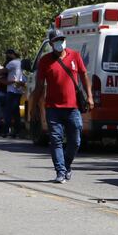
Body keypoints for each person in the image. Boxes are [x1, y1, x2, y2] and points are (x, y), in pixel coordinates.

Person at [28, 31, 93, 184]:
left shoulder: (75, 56)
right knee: (56, 140)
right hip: (53, 108)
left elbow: (84, 76)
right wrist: (34, 107)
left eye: (62, 39)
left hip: (73, 108)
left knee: (75, 141)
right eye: (56, 40)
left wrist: (89, 96)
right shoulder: (45, 61)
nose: (60, 42)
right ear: (51, 43)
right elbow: (39, 87)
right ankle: (60, 172)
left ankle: (67, 165)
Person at [1, 49, 25, 139]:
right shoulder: (20, 62)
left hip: (12, 90)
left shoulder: (12, 63)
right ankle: (17, 131)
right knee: (16, 113)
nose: (7, 56)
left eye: (7, 54)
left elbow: (2, 72)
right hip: (18, 90)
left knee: (8, 112)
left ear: (12, 54)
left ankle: (6, 131)